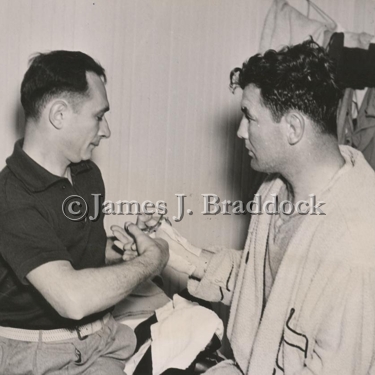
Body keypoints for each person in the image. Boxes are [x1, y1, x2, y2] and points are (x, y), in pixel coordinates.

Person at [152, 40, 375, 374]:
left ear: (294, 128)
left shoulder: (354, 244)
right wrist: (173, 251)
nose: (241, 132)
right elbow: (266, 287)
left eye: (249, 117)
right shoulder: (275, 189)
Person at [0, 51, 169, 374]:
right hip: (35, 357)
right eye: (98, 116)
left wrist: (121, 251)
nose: (106, 130)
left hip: (102, 340)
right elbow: (72, 300)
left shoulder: (87, 174)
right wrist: (152, 261)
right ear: (59, 115)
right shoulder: (10, 199)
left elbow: (75, 254)